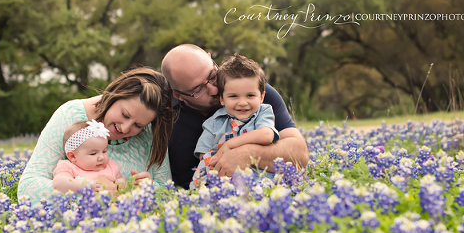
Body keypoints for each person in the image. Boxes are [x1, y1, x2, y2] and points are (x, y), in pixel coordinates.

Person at [161, 44, 309, 189]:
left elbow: (300, 154)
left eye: (212, 75)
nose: (214, 89)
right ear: (177, 95)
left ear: (211, 59)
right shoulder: (165, 119)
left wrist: (247, 154)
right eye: (198, 89)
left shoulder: (250, 90)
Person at [17, 67, 173, 202]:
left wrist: (150, 190)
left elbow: (168, 194)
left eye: (138, 125)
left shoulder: (150, 133)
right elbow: (28, 188)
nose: (125, 129)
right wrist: (91, 194)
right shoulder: (69, 115)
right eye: (125, 115)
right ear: (115, 95)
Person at [191, 54, 279, 188]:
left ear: (261, 97)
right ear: (222, 99)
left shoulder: (263, 111)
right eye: (233, 96)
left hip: (262, 183)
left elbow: (266, 135)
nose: (242, 103)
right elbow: (205, 156)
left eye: (250, 95)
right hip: (226, 184)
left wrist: (229, 144)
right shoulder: (213, 122)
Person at [53, 120, 126, 193]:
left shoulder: (110, 167)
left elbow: (122, 179)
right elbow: (58, 183)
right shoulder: (70, 169)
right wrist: (85, 185)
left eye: (104, 151)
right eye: (93, 153)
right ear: (73, 156)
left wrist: (121, 182)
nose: (101, 157)